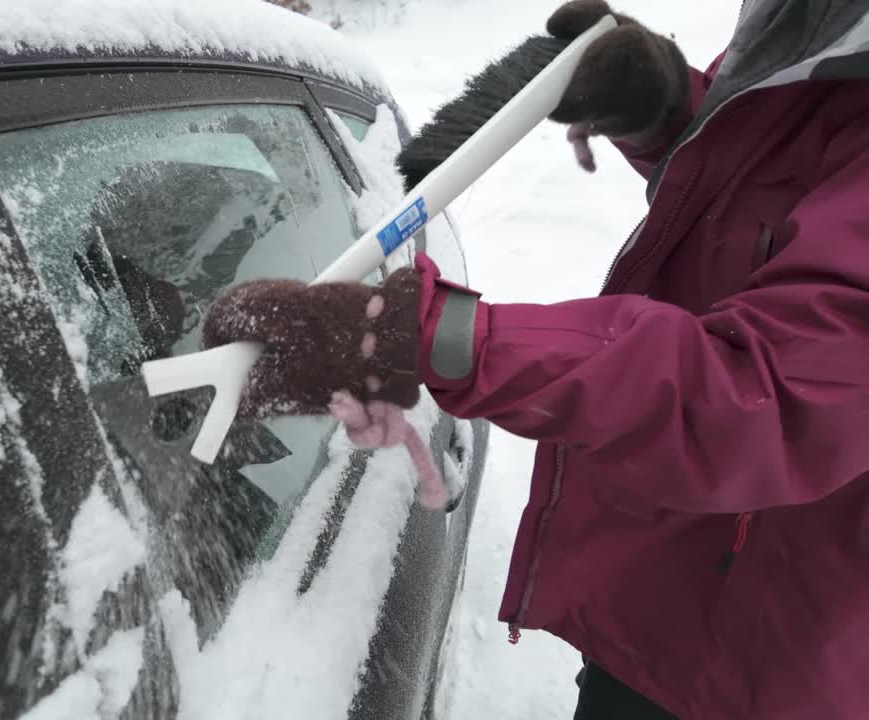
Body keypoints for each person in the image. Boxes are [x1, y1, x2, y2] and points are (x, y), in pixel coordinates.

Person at [197, 1, 869, 718]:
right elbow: (773, 191)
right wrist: (668, 111)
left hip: (769, 662)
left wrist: (416, 334)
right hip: (671, 596)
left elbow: (765, 392)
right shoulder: (812, 33)